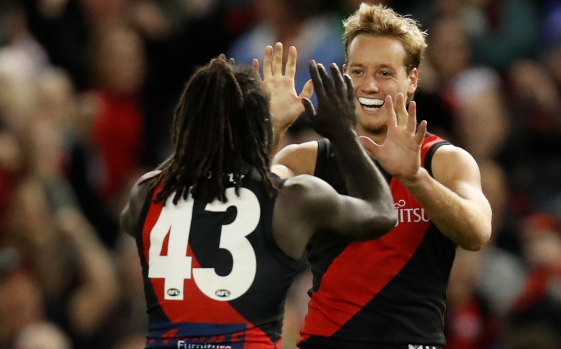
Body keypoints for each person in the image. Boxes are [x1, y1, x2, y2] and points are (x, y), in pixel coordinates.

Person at [119, 55, 397, 349]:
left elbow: (153, 203)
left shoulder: (146, 193)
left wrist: (206, 126)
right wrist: (343, 132)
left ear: (186, 121)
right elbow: (382, 213)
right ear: (256, 125)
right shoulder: (293, 199)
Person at [270, 3, 492, 348]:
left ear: (413, 79)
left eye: (385, 73)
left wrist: (416, 178)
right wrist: (273, 128)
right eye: (358, 71)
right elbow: (247, 213)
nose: (369, 85)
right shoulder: (307, 159)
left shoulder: (444, 161)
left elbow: (477, 233)